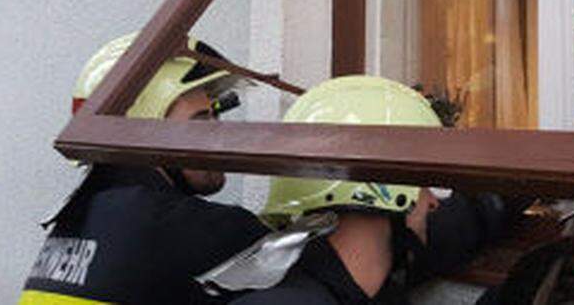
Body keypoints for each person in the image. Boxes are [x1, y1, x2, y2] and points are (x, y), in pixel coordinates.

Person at [212, 76, 520, 304]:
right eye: (423, 184)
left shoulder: (361, 280)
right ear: (381, 191)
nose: (432, 202)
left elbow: (462, 223)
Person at [19, 33, 271, 304]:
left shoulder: (76, 217)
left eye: (215, 114)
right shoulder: (168, 222)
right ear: (144, 128)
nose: (218, 133)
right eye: (202, 119)